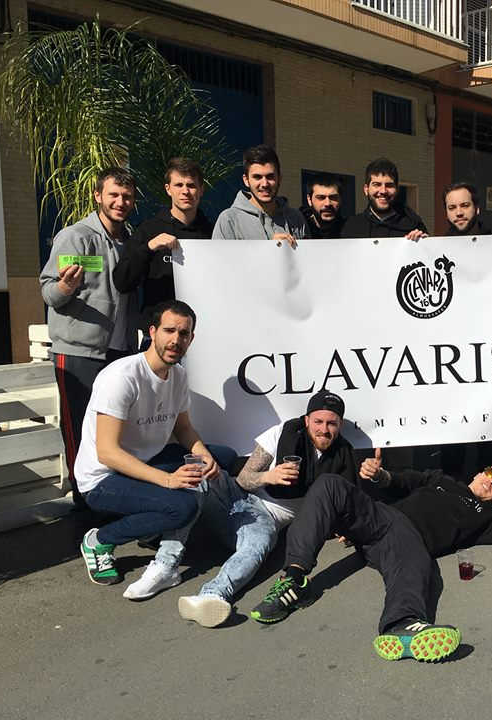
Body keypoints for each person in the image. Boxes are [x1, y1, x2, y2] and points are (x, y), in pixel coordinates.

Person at [250, 457, 492, 663]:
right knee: (329, 483)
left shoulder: (487, 517)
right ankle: (294, 579)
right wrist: (381, 475)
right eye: (490, 475)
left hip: (407, 541)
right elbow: (403, 480)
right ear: (478, 473)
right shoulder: (443, 480)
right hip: (380, 518)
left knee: (418, 563)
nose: (490, 483)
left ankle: (402, 624)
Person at [75, 301, 236, 598]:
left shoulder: (178, 375)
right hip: (103, 478)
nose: (176, 340)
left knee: (224, 457)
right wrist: (168, 480)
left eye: (184, 334)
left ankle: (152, 527)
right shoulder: (122, 377)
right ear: (152, 332)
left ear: (191, 339)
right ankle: (100, 540)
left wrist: (204, 455)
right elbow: (107, 453)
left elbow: (183, 429)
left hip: (147, 460)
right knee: (182, 507)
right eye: (169, 331)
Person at [175, 389, 357, 627]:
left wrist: (346, 528)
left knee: (257, 546)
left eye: (331, 423)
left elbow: (344, 503)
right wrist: (269, 477)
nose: (324, 429)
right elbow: (243, 479)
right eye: (318, 421)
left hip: (266, 517)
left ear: (340, 425)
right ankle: (165, 560)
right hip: (236, 497)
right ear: (306, 420)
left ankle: (210, 596)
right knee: (199, 471)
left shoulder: (344, 456)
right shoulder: (283, 433)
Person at [39, 167, 141, 505]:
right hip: (79, 353)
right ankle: (83, 501)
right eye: (113, 195)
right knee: (79, 430)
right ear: (98, 196)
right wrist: (65, 287)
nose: (120, 202)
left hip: (120, 353)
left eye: (127, 196)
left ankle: (111, 498)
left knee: (115, 432)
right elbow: (49, 293)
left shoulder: (131, 241)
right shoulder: (76, 237)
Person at [112, 157, 214, 343]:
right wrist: (149, 248)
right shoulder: (148, 230)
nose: (185, 191)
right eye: (179, 185)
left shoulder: (213, 232)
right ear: (168, 189)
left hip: (203, 335)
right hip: (156, 336)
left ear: (201, 189)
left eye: (191, 185)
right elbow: (122, 281)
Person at [212, 144, 307, 243]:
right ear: (246, 180)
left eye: (270, 177)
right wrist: (270, 249)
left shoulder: (296, 218)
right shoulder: (229, 220)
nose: (265, 184)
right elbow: (219, 254)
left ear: (280, 178)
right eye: (257, 177)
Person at [341, 158, 428, 239]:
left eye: (389, 185)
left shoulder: (413, 225)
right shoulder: (352, 226)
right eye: (377, 185)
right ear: (366, 189)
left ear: (397, 189)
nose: (383, 191)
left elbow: (426, 250)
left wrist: (423, 243)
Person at [300, 174, 345, 239]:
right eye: (321, 198)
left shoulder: (349, 229)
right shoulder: (296, 228)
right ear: (309, 200)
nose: (327, 203)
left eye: (333, 197)